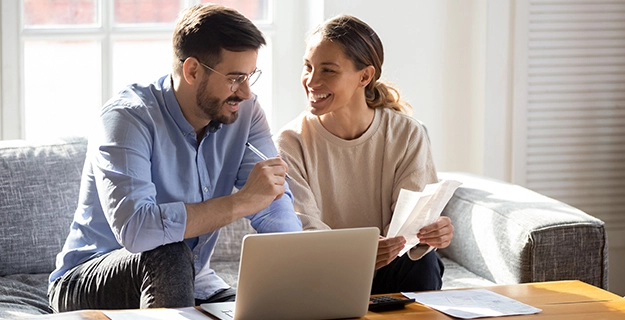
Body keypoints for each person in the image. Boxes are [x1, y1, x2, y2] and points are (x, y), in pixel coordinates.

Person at [48, 3, 301, 312]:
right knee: (169, 252)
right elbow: (137, 230)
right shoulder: (127, 119)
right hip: (87, 278)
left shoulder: (245, 112)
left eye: (250, 76)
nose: (246, 92)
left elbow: (273, 202)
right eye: (235, 78)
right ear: (192, 70)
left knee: (265, 309)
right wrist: (240, 202)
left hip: (194, 280)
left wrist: (299, 270)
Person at [275, 15, 454, 294]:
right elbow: (304, 232)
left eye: (328, 71)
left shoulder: (406, 133)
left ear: (365, 76)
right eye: (308, 67)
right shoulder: (291, 142)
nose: (311, 81)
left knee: (424, 263)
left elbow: (410, 227)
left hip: (391, 267)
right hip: (325, 273)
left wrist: (431, 234)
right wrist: (360, 254)